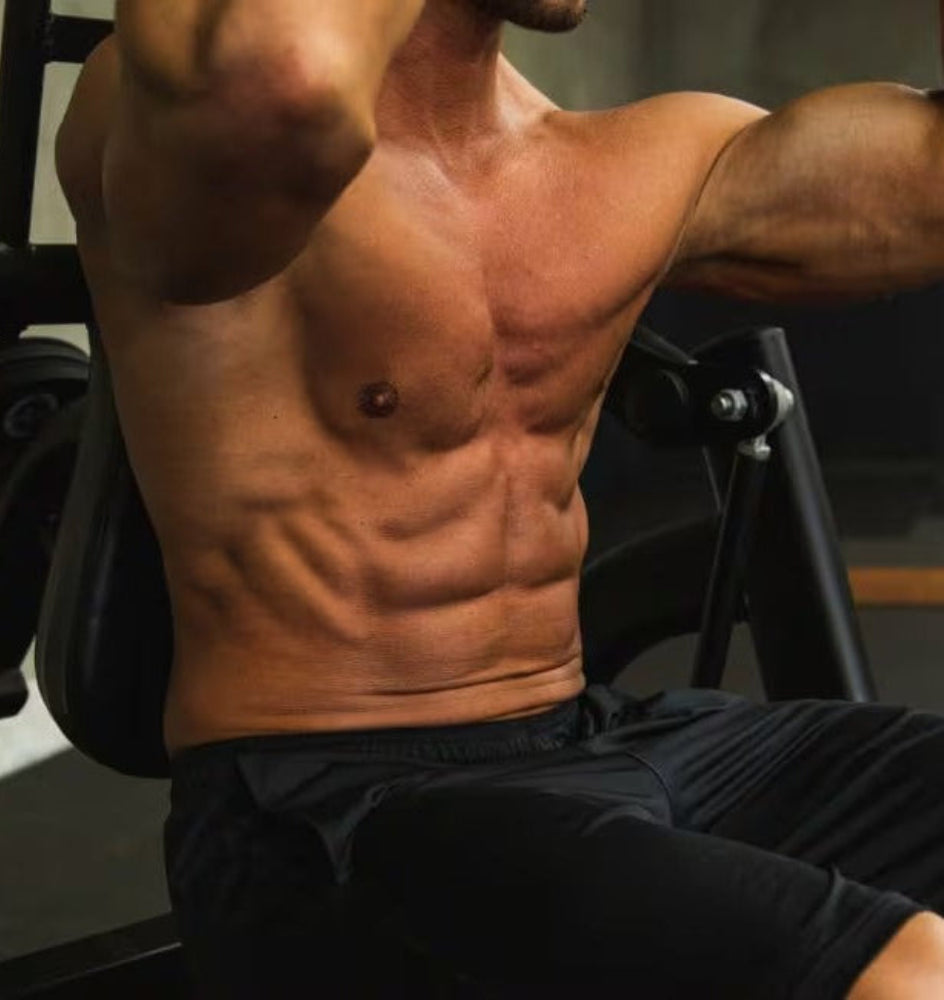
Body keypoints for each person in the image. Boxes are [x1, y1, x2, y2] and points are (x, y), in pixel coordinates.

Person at [56, 1, 944, 996]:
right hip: (326, 808)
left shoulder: (633, 160)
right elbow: (288, 82)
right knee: (905, 977)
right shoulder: (164, 102)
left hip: (596, 740)